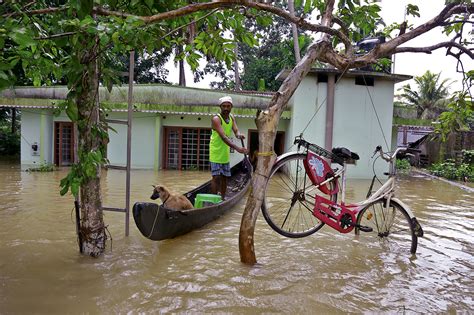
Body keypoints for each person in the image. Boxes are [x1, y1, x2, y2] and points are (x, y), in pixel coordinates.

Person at [209, 96, 248, 200]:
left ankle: (222, 198)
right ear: (220, 107)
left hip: (225, 152)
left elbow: (236, 131)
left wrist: (239, 135)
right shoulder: (216, 119)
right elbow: (224, 137)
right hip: (216, 151)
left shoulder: (231, 117)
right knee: (216, 177)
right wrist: (238, 149)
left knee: (225, 177)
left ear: (231, 107)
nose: (226, 108)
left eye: (228, 106)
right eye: (224, 106)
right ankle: (213, 200)